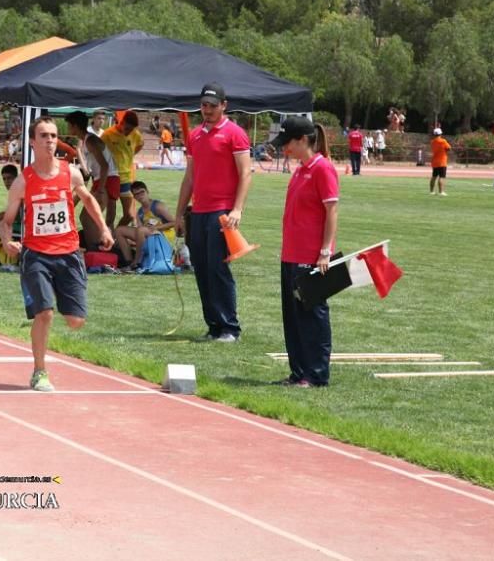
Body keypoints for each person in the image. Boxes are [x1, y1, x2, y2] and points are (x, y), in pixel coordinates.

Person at [0, 117, 114, 392]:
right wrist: (6, 241)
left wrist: (105, 229)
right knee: (45, 313)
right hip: (36, 254)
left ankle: (60, 304)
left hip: (69, 253)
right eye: (44, 135)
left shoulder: (71, 172)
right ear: (32, 141)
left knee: (75, 321)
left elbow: (87, 199)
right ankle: (39, 371)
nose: (50, 140)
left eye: (53, 135)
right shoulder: (23, 181)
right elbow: (6, 221)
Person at [174, 82, 252, 343]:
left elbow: (245, 173)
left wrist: (237, 209)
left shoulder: (235, 134)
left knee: (218, 270)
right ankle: (214, 325)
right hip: (198, 210)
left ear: (224, 106)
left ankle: (230, 326)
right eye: (204, 105)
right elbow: (189, 177)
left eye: (212, 106)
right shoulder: (195, 135)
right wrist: (178, 214)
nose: (207, 110)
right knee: (201, 269)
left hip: (222, 211)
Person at [271, 117, 338, 388]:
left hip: (311, 256)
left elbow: (332, 210)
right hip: (290, 255)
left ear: (302, 140)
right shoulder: (300, 170)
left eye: (287, 143)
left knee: (312, 317)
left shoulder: (323, 168)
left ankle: (316, 374)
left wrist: (325, 252)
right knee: (294, 318)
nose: (284, 149)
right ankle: (298, 372)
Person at [65, 111, 113, 249]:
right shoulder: (87, 139)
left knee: (88, 218)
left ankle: (97, 251)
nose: (68, 128)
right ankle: (95, 249)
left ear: (74, 126)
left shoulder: (90, 140)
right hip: (102, 179)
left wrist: (100, 189)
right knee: (87, 218)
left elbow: (105, 166)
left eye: (69, 125)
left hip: (107, 180)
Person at [115, 181, 176, 270]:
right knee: (119, 230)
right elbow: (139, 232)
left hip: (163, 236)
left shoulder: (158, 206)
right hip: (149, 235)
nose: (140, 196)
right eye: (136, 194)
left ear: (147, 192)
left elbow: (174, 223)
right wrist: (130, 241)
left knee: (141, 230)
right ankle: (128, 261)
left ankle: (137, 261)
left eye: (142, 192)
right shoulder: (140, 212)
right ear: (134, 197)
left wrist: (157, 228)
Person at [101, 111, 143, 227]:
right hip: (111, 177)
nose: (129, 132)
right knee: (111, 214)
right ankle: (108, 237)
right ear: (122, 122)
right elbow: (99, 152)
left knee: (129, 215)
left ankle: (117, 233)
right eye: (128, 128)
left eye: (131, 130)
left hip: (126, 179)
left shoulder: (136, 134)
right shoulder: (107, 134)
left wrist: (130, 155)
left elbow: (140, 144)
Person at [429, 128, 451, 196]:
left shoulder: (432, 142)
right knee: (441, 177)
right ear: (440, 134)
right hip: (442, 161)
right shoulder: (443, 141)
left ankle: (431, 191)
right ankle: (441, 192)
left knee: (434, 177)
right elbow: (449, 148)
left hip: (434, 161)